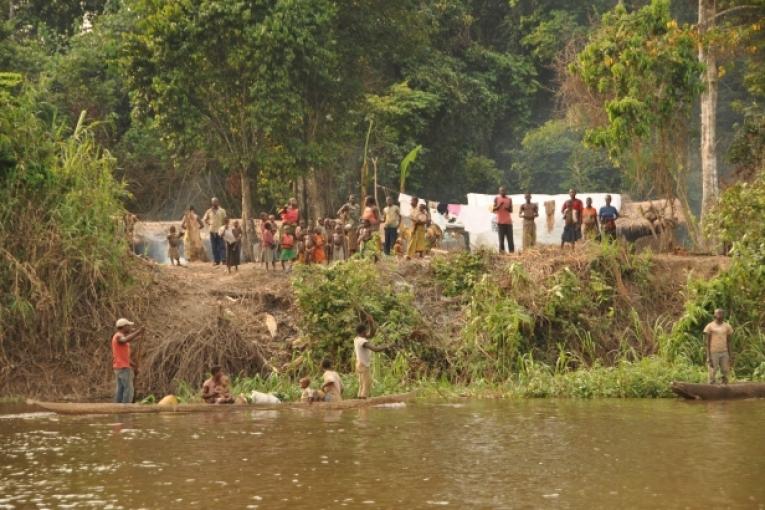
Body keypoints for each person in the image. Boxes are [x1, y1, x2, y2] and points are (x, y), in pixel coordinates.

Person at [112, 318, 143, 403]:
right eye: (128, 326)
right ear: (124, 327)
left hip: (121, 367)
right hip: (123, 368)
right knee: (128, 390)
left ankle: (118, 407)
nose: (129, 328)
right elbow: (125, 340)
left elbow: (125, 358)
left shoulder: (121, 339)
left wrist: (134, 366)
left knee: (121, 389)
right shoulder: (118, 336)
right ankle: (126, 408)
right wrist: (138, 332)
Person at [353, 323, 388, 399]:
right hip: (363, 365)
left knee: (362, 383)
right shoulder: (363, 341)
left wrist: (371, 322)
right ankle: (363, 400)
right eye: (366, 330)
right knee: (367, 383)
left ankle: (360, 397)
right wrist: (388, 346)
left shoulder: (357, 339)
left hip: (359, 363)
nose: (367, 332)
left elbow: (371, 334)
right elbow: (375, 349)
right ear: (364, 332)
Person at [704, 309, 734, 384]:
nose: (720, 315)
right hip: (713, 352)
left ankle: (724, 389)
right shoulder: (710, 326)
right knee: (712, 372)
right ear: (714, 315)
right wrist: (708, 356)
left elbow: (729, 342)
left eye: (722, 314)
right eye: (718, 313)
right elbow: (707, 343)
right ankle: (711, 389)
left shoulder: (727, 326)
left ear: (724, 315)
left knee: (725, 371)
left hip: (724, 352)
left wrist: (730, 355)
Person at [203, 197, 227, 265]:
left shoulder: (222, 210)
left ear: (218, 202)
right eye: (213, 202)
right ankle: (216, 261)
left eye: (215, 202)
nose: (214, 203)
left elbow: (225, 220)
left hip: (220, 231)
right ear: (212, 203)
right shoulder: (209, 211)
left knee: (222, 246)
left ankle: (224, 260)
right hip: (212, 231)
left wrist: (224, 228)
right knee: (214, 247)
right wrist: (209, 223)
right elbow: (205, 219)